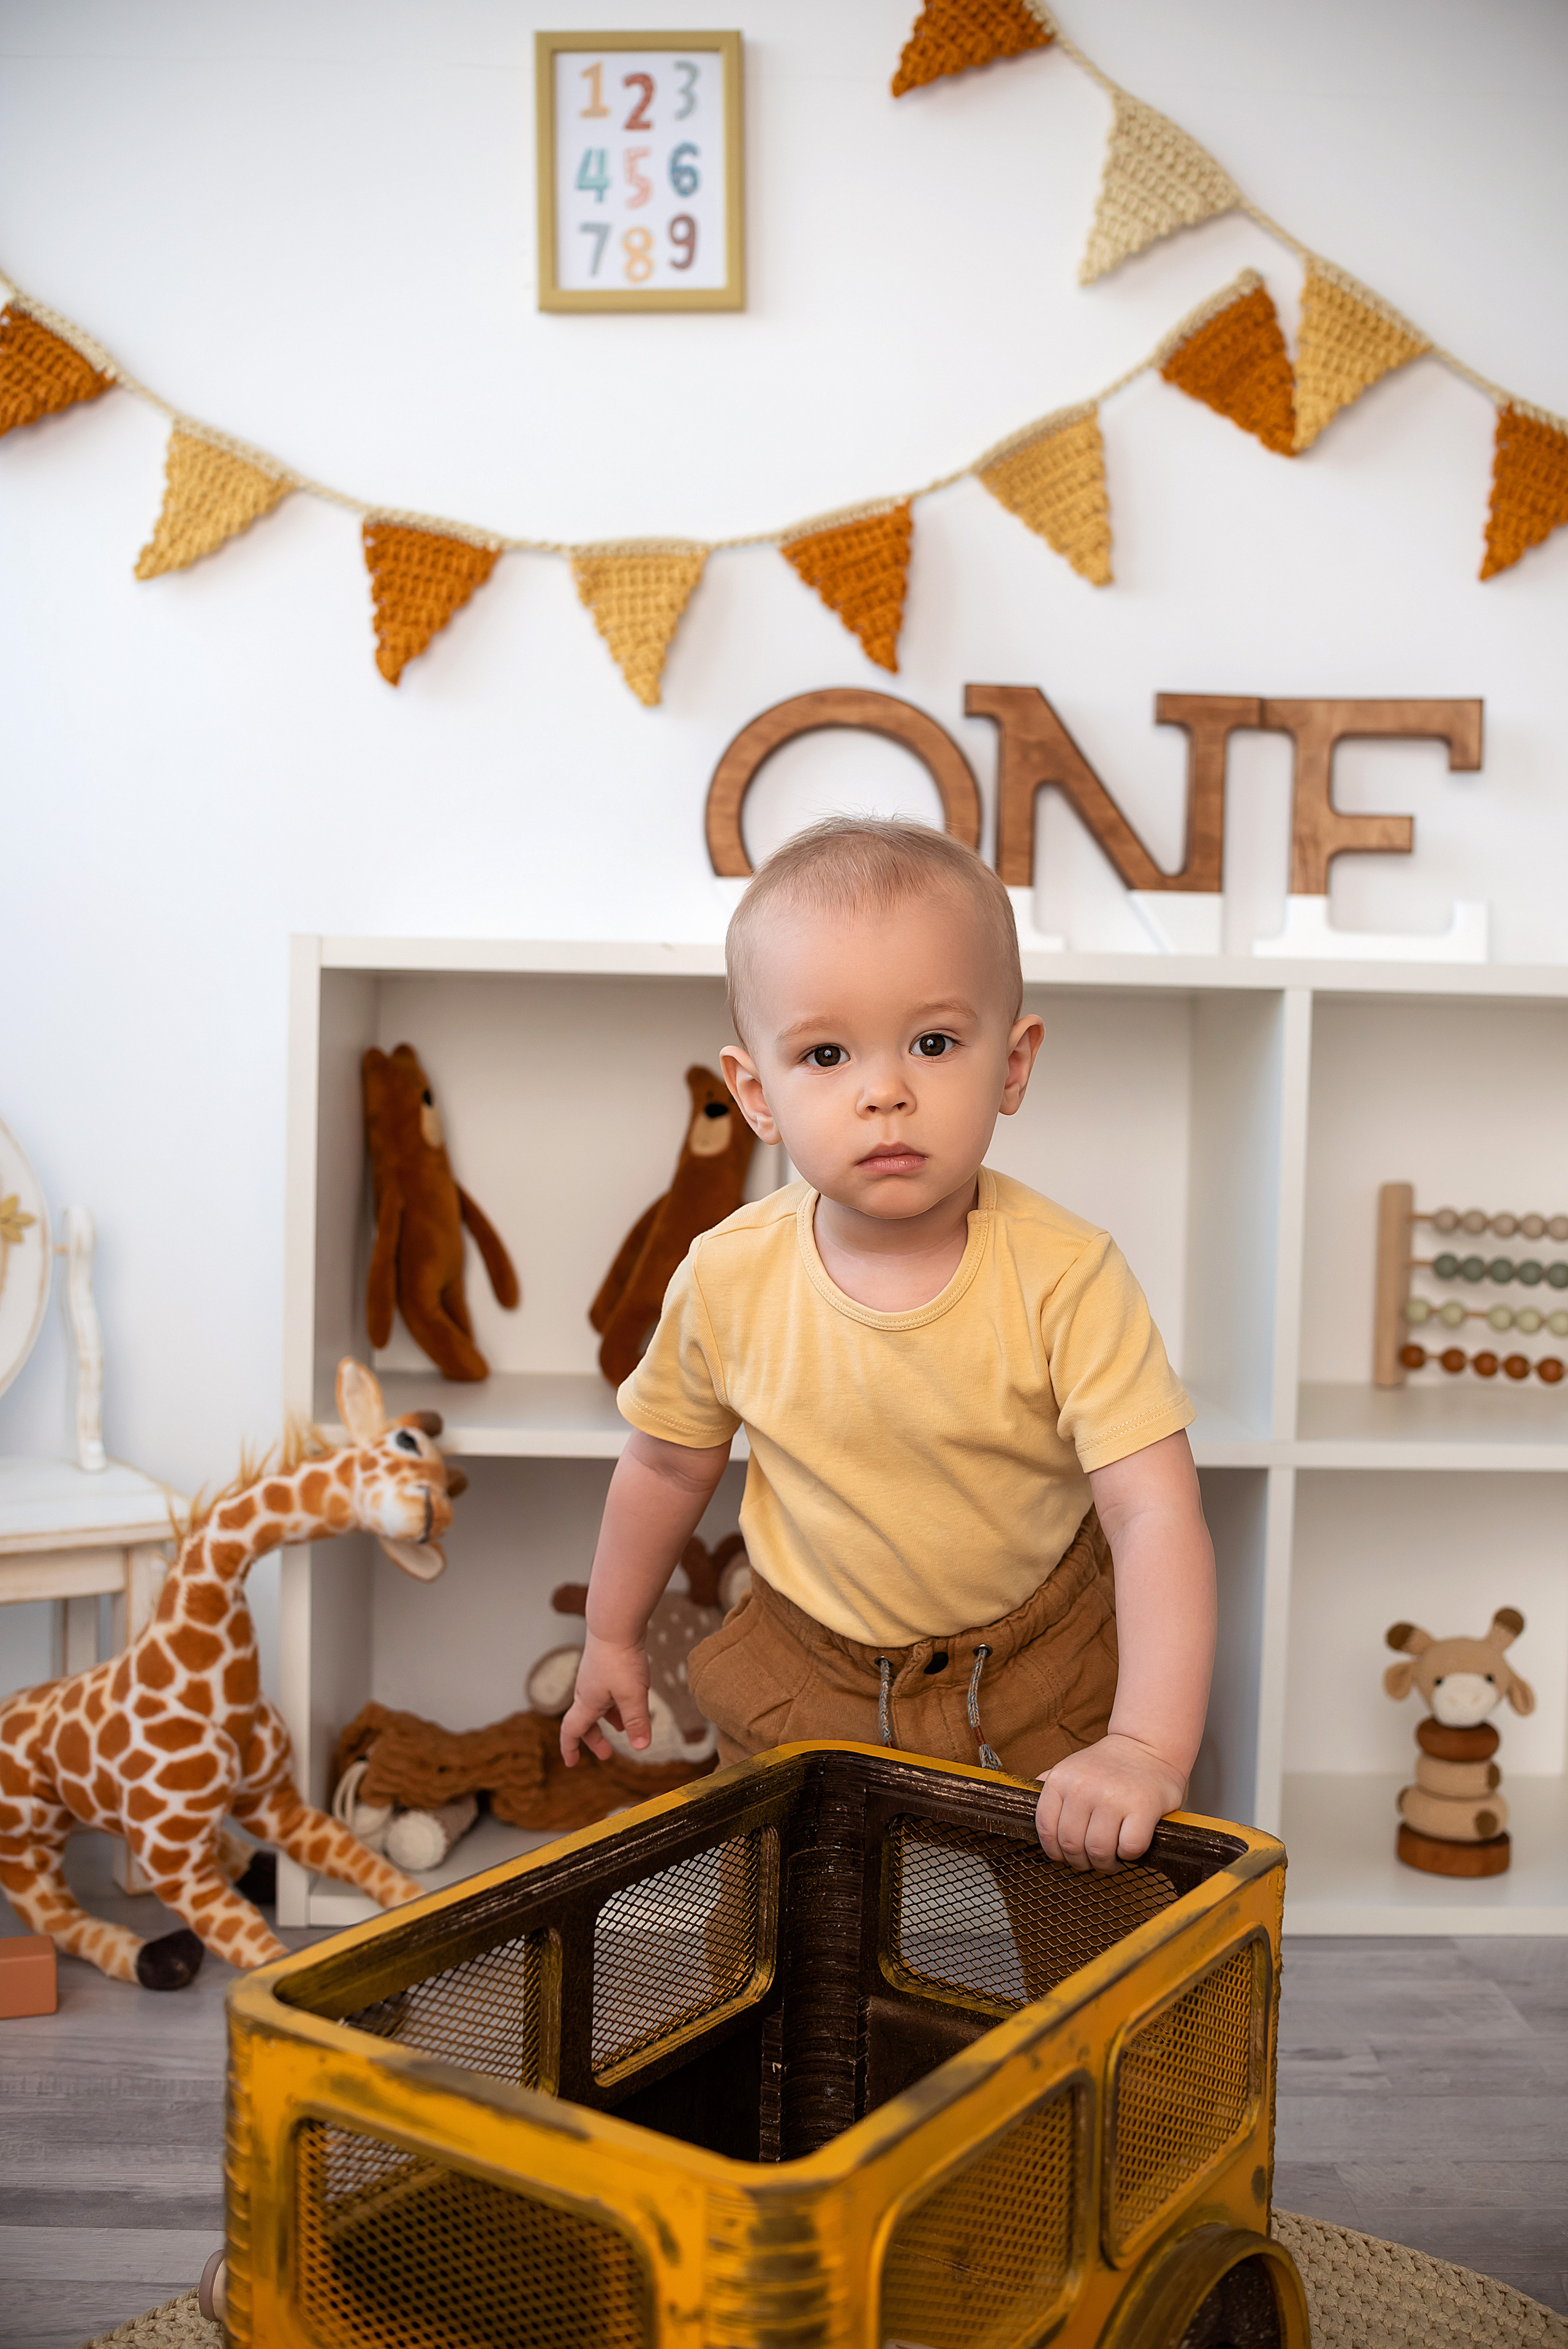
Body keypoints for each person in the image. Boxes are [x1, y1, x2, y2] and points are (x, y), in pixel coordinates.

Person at [560, 817, 1216, 1872]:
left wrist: (1144, 1746)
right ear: (758, 1095)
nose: (885, 1091)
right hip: (808, 1659)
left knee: (1105, 1903)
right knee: (776, 1920)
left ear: (1013, 1063)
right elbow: (667, 1465)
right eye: (826, 1054)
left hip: (1038, 1658)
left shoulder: (1068, 1274)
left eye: (934, 1043)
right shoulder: (728, 1276)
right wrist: (611, 1633)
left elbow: (1153, 1512)